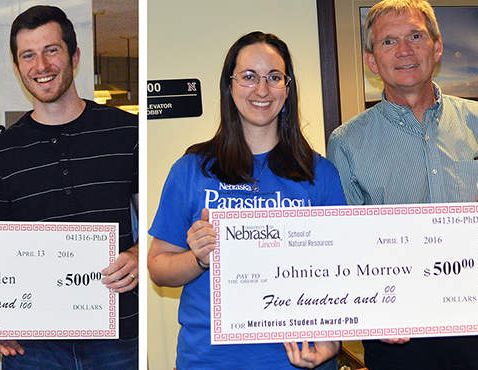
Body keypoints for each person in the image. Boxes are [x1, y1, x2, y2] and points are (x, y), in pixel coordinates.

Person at [327, 0, 478, 370]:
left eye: (416, 36)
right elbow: (345, 243)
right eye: (388, 41)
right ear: (372, 60)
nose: (404, 50)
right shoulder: (346, 142)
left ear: (436, 47)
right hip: (397, 321)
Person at [147, 31, 345, 370]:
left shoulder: (320, 173)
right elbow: (157, 268)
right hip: (210, 360)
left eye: (274, 77)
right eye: (249, 77)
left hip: (298, 359)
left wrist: (333, 339)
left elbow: (344, 270)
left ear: (288, 87)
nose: (262, 89)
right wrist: (198, 258)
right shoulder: (191, 170)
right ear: (230, 85)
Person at [0, 5, 139, 369]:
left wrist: (141, 254)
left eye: (51, 50)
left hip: (118, 335)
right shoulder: (0, 153)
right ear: (17, 68)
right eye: (27, 55)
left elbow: (161, 221)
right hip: (33, 344)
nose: (41, 65)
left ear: (74, 57)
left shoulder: (127, 132)